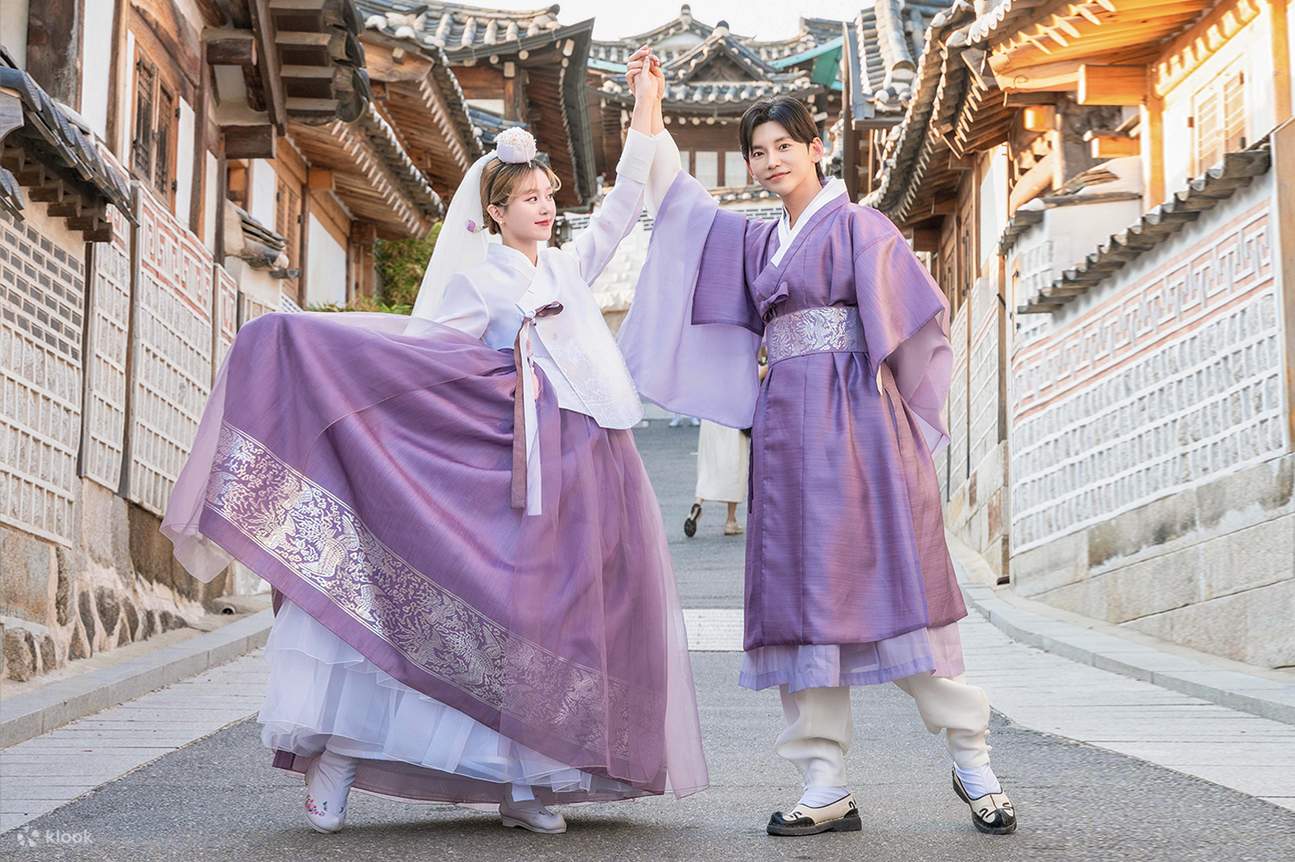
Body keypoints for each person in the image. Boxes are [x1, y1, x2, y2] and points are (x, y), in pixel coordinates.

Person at [161, 46, 706, 836]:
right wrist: (306, 342)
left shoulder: (566, 267)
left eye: (548, 195)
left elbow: (624, 206)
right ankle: (338, 756)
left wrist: (648, 102)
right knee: (476, 605)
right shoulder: (478, 280)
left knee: (551, 619)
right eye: (526, 198)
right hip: (499, 460)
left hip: (584, 461)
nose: (544, 208)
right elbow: (418, 361)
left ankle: (527, 781)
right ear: (494, 211)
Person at [618, 52, 1016, 839]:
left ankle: (971, 752)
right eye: (756, 153)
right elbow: (678, 201)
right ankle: (823, 781)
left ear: (814, 147)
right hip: (784, 438)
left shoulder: (859, 226)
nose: (769, 164)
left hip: (858, 433)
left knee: (885, 596)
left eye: (782, 148)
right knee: (800, 605)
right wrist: (649, 106)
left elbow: (905, 326)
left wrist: (883, 415)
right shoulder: (756, 241)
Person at [685, 421, 750, 538]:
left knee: (708, 463)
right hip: (733, 416)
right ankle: (730, 521)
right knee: (734, 462)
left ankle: (698, 502)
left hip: (710, 417)